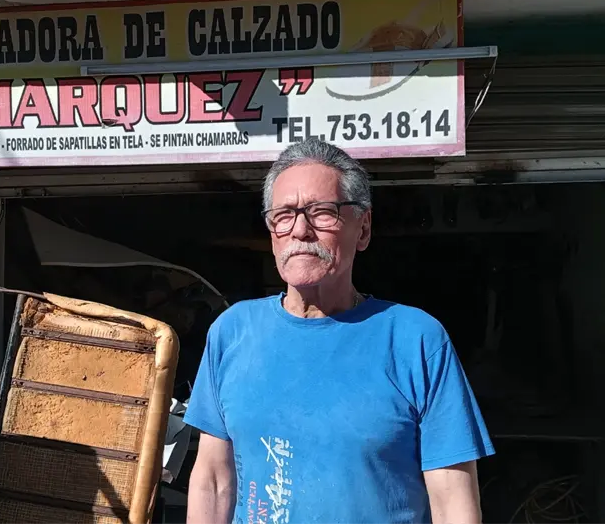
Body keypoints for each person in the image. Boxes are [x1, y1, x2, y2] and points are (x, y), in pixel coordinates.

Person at [183, 138, 495, 523]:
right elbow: (213, 480)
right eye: (283, 215)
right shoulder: (233, 332)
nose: (300, 230)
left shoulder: (416, 340)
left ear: (362, 229)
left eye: (322, 212)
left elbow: (453, 503)